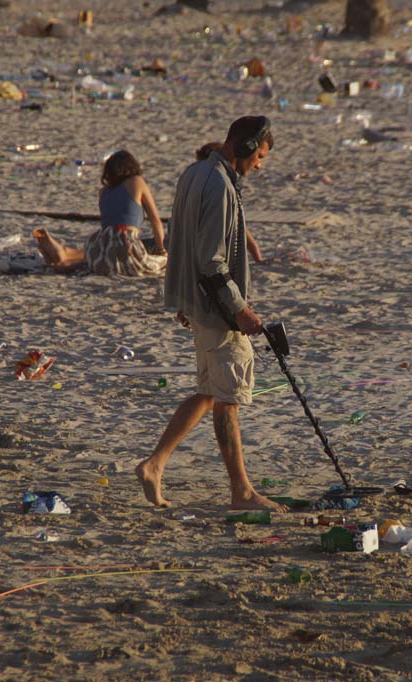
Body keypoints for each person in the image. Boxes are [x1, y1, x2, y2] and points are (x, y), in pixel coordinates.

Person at [136, 115, 283, 511]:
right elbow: (211, 259)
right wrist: (241, 311)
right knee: (228, 399)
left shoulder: (194, 173)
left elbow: (183, 240)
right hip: (217, 311)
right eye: (260, 156)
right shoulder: (218, 183)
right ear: (247, 147)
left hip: (199, 304)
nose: (259, 165)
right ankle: (242, 492)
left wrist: (185, 299)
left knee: (207, 393)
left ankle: (154, 465)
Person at [32, 150, 167, 276]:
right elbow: (155, 221)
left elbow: (111, 231)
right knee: (166, 261)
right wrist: (161, 250)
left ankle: (66, 255)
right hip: (125, 246)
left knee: (112, 251)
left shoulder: (103, 192)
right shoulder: (136, 182)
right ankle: (66, 256)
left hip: (99, 248)